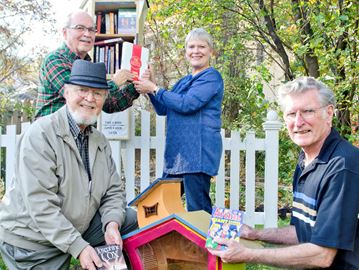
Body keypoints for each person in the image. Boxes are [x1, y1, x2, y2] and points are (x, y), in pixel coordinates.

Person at [208, 77, 359, 269]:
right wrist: (256, 234)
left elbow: (322, 255)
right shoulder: (306, 160)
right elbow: (301, 231)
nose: (298, 122)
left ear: (329, 113)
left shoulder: (342, 165)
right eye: (291, 114)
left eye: (308, 111)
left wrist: (248, 254)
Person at [0, 60, 138, 270]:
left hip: (73, 225)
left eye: (98, 93)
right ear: (66, 93)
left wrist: (111, 224)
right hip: (33, 242)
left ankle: (102, 262)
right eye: (82, 90)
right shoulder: (41, 135)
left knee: (128, 218)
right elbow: (41, 205)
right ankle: (85, 256)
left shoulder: (99, 140)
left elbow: (113, 191)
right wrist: (79, 247)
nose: (90, 98)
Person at [134, 28, 224, 214]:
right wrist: (151, 85)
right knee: (161, 206)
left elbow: (187, 104)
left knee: (197, 210)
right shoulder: (184, 81)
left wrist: (154, 87)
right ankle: (168, 243)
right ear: (185, 52)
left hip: (198, 154)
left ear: (211, 51)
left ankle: (204, 244)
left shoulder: (211, 77)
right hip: (179, 155)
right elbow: (163, 108)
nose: (196, 51)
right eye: (191, 47)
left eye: (202, 46)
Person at [35, 9, 138, 119]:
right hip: (51, 134)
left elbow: (109, 104)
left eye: (91, 29)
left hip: (79, 135)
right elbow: (79, 96)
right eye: (80, 28)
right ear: (65, 33)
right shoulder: (55, 60)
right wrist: (115, 82)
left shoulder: (89, 65)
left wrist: (138, 85)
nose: (87, 34)